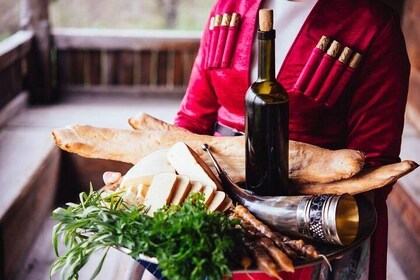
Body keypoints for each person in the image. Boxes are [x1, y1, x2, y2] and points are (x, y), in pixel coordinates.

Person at [173, 0, 410, 279]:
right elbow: (191, 119)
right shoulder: (229, 7)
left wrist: (311, 221)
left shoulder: (370, 24)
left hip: (308, 224)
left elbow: (374, 160)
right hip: (211, 204)